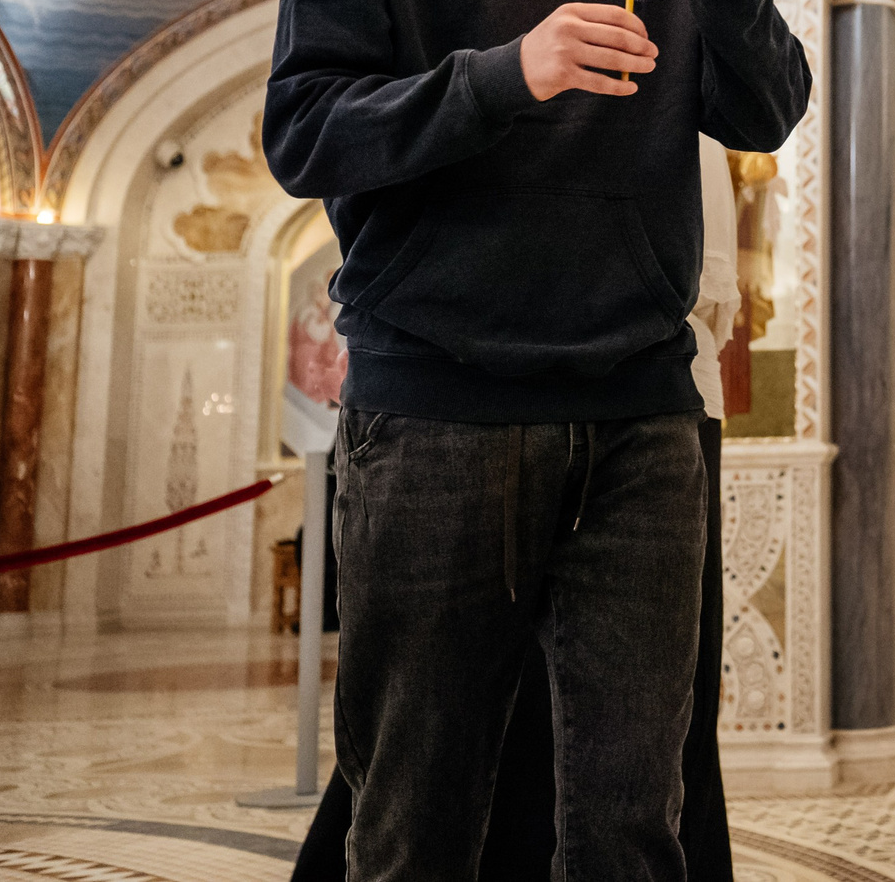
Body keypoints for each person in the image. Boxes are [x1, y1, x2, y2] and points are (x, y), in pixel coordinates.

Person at [265, 0, 811, 881]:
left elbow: (767, 107)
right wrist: (510, 74)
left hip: (641, 414)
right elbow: (306, 134)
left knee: (633, 814)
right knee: (414, 810)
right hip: (441, 410)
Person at [288, 133, 745, 882]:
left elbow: (761, 112)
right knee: (424, 780)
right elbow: (313, 131)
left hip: (650, 400)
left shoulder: (682, 77)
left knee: (633, 785)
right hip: (454, 395)